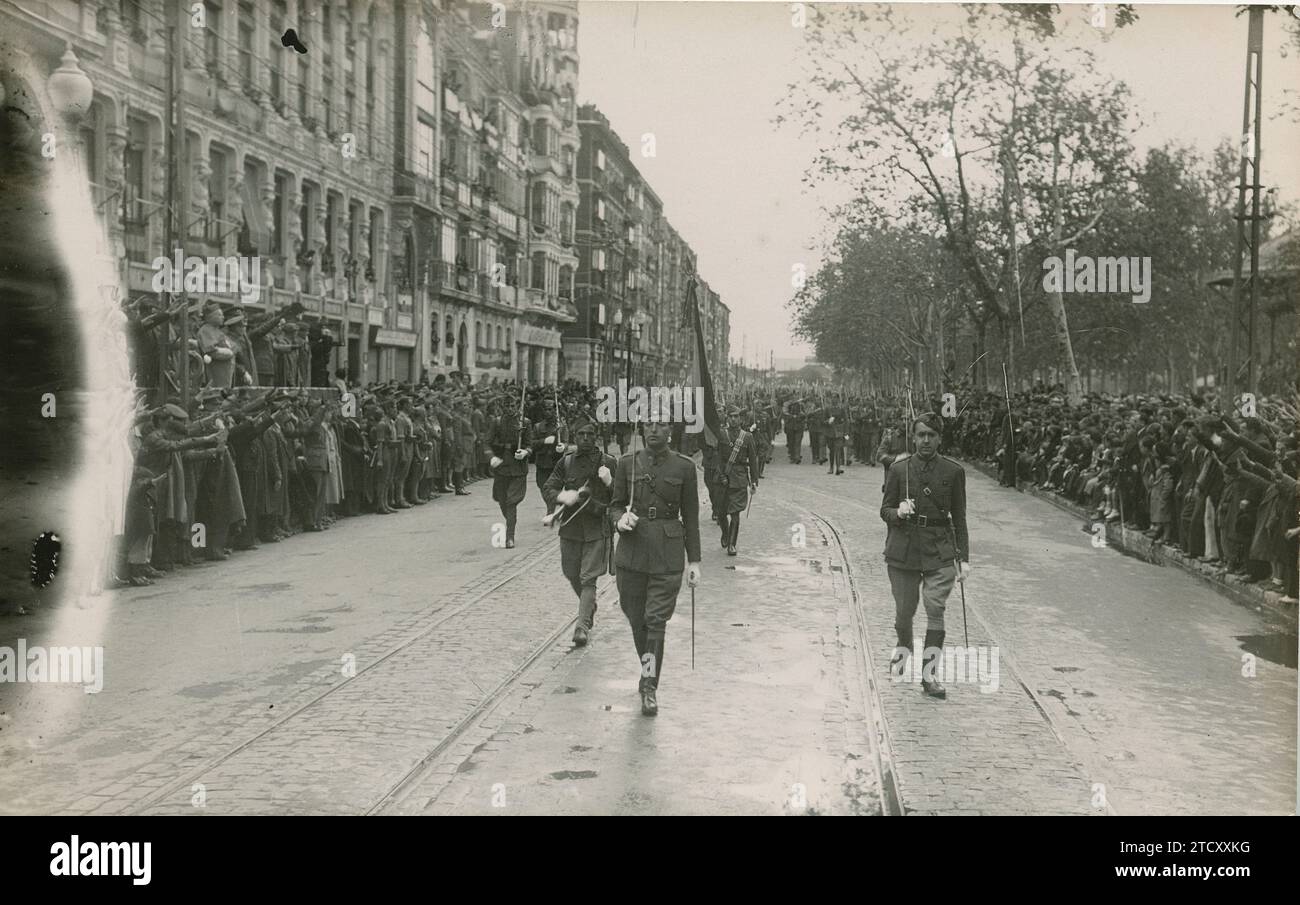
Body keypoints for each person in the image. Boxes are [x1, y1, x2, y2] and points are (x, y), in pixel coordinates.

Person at [609, 417, 702, 716]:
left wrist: (695, 561)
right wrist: (619, 519)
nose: (653, 430)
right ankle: (647, 669)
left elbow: (691, 517)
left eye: (660, 425)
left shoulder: (685, 468)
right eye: (648, 424)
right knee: (638, 621)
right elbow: (615, 504)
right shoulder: (626, 464)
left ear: (670, 433)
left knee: (655, 621)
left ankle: (649, 685)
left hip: (667, 554)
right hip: (632, 553)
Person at [879, 412, 970, 699]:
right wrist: (898, 512)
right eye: (921, 435)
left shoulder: (953, 472)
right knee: (904, 614)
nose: (926, 440)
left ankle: (929, 675)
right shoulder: (898, 470)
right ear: (914, 437)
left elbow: (960, 516)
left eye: (932, 435)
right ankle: (904, 645)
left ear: (940, 438)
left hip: (939, 551)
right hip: (903, 550)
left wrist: (963, 557)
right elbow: (884, 510)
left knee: (935, 610)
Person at [543, 416, 617, 645]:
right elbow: (550, 486)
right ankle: (589, 605)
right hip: (571, 527)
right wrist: (561, 496)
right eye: (581, 434)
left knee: (588, 578)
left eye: (590, 434)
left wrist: (609, 482)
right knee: (571, 572)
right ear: (574, 437)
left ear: (596, 437)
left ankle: (582, 626)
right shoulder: (565, 462)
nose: (585, 438)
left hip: (597, 526)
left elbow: (622, 497)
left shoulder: (609, 462)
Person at [714, 407, 760, 556]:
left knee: (735, 513)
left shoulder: (747, 437)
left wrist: (754, 481)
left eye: (736, 416)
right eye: (731, 416)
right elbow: (717, 458)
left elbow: (753, 460)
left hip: (739, 479)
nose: (733, 419)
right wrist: (720, 474)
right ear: (727, 418)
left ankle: (732, 544)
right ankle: (725, 534)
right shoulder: (721, 434)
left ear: (741, 418)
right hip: (723, 479)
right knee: (721, 512)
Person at [489, 405, 531, 548]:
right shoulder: (497, 422)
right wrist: (491, 457)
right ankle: (511, 522)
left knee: (511, 502)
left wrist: (525, 452)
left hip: (517, 468)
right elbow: (486, 443)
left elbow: (530, 444)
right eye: (507, 405)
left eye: (513, 406)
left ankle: (509, 537)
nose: (510, 409)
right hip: (501, 466)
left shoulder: (524, 422)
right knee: (502, 500)